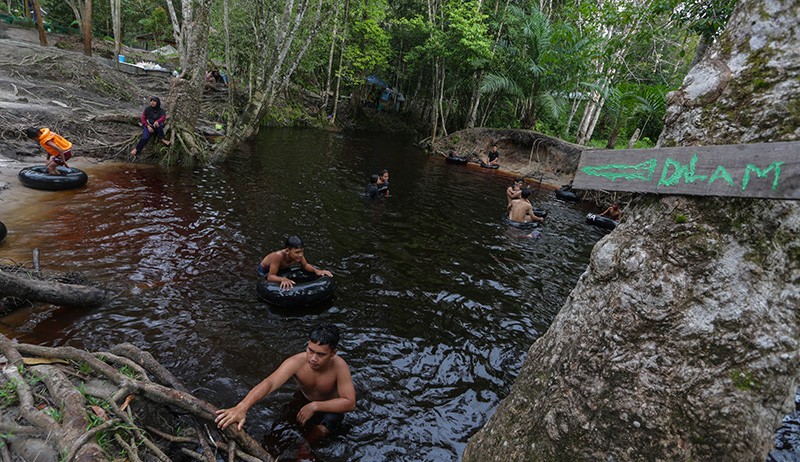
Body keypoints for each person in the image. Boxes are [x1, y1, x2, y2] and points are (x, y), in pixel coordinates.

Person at [215, 323, 356, 440]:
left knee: (319, 432)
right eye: (310, 350)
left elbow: (349, 403)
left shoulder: (339, 366)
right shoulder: (296, 362)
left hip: (331, 406)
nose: (313, 358)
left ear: (333, 354)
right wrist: (242, 407)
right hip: (304, 399)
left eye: (320, 354)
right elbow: (269, 383)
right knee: (277, 432)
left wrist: (314, 406)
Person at [257, 236, 333, 290]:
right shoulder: (278, 256)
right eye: (297, 252)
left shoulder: (298, 256)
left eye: (302, 251)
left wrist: (316, 271)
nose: (301, 255)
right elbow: (270, 276)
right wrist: (283, 279)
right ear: (287, 251)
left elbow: (305, 265)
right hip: (265, 270)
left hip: (281, 269)